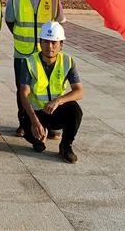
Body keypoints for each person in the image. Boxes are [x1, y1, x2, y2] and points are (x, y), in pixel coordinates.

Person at [5, 0, 66, 138]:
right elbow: (10, 21)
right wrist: (22, 35)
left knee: (47, 88)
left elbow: (59, 23)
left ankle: (51, 124)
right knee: (23, 89)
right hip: (22, 52)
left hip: (46, 54)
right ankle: (24, 123)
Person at [19, 21, 83, 164]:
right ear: (40, 43)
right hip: (37, 112)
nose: (50, 46)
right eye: (46, 42)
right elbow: (24, 93)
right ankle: (40, 136)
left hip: (56, 110)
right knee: (31, 135)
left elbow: (79, 91)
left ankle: (66, 146)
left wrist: (58, 101)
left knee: (75, 110)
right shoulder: (29, 62)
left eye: (54, 42)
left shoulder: (67, 62)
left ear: (61, 44)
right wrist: (34, 121)